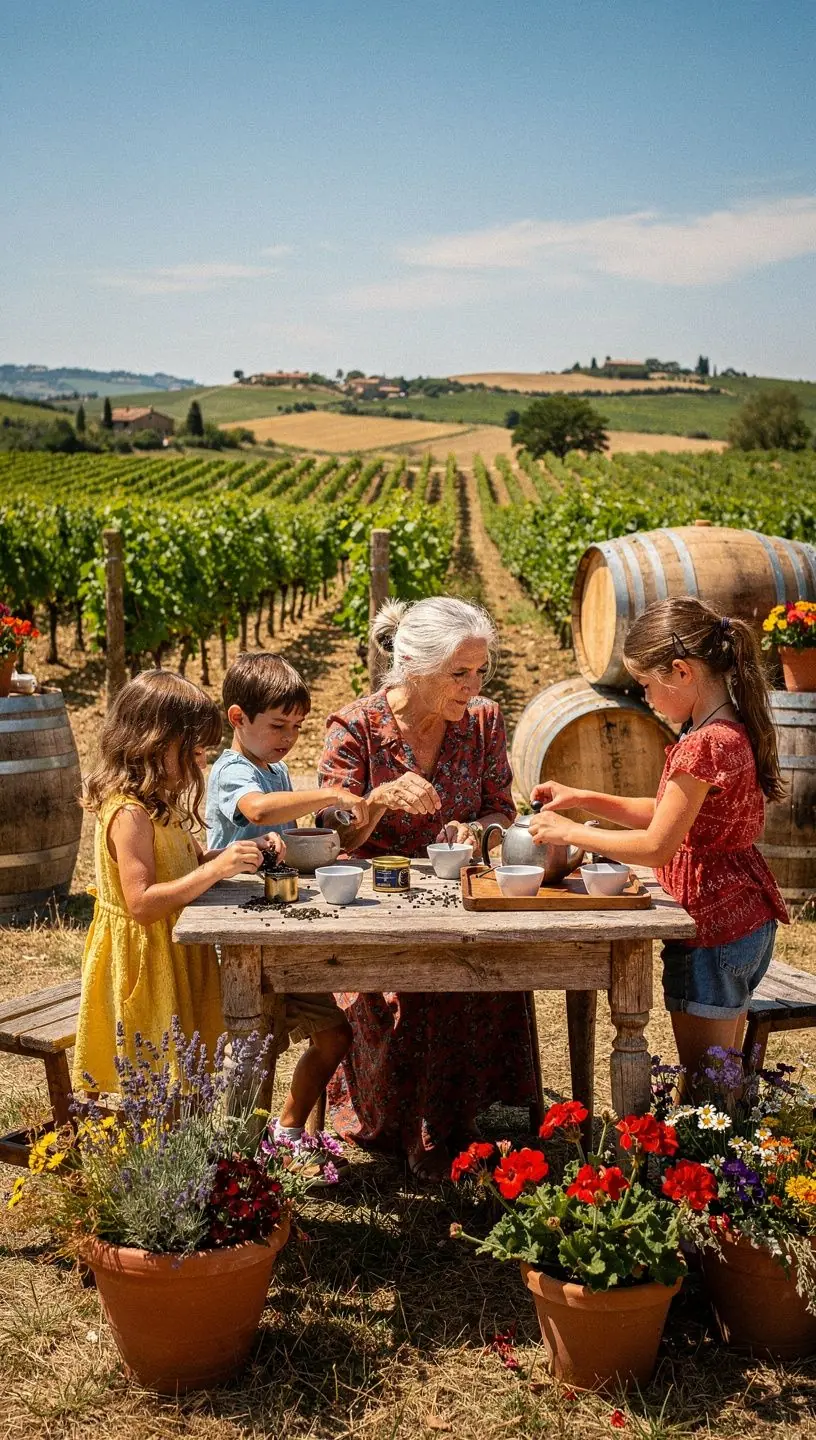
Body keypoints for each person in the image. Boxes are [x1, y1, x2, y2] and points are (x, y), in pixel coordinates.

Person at [318, 596, 538, 1182]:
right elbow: (328, 839)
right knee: (411, 991)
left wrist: (478, 829)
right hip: (372, 906)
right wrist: (373, 802)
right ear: (413, 667)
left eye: (480, 671)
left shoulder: (485, 722)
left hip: (461, 897)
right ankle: (411, 1134)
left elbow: (501, 812)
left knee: (482, 973)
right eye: (458, 673)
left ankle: (469, 1125)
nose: (473, 687)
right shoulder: (355, 728)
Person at [528, 596, 788, 1090]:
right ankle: (736, 1157)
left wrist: (570, 832)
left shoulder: (704, 743)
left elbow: (655, 847)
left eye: (647, 685)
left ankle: (707, 1164)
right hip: (745, 918)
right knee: (724, 1075)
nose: (645, 698)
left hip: (711, 928)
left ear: (681, 671)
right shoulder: (727, 725)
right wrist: (583, 798)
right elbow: (668, 814)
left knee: (706, 1084)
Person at [73, 670, 262, 1093]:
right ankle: (151, 1158)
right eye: (193, 751)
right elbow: (141, 903)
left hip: (173, 949)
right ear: (153, 745)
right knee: (154, 1077)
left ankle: (175, 1152)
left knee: (183, 1076)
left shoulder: (161, 806)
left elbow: (183, 869)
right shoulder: (129, 814)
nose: (201, 762)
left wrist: (231, 858)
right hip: (145, 958)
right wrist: (213, 870)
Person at [206, 651, 365, 1143]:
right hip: (242, 933)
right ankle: (239, 1151)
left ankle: (289, 1127)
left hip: (283, 929)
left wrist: (324, 834)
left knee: (334, 1035)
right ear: (238, 718)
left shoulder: (276, 770)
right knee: (256, 1047)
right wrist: (330, 795)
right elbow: (256, 808)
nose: (289, 738)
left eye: (297, 727)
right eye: (279, 726)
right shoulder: (234, 770)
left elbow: (282, 832)